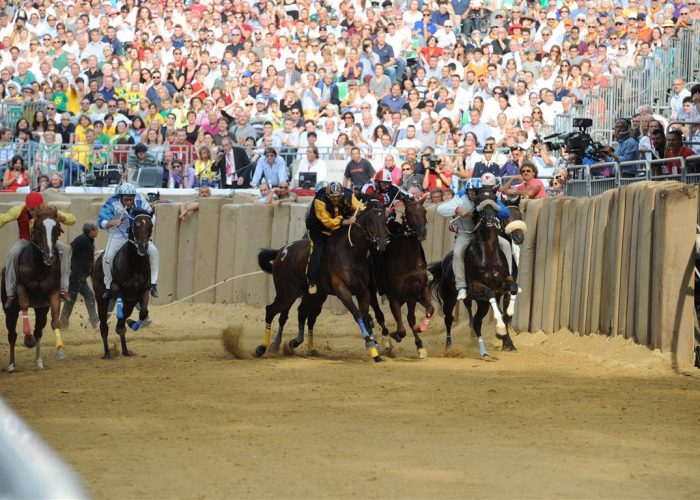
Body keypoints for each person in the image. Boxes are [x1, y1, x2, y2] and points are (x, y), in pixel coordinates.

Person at [437, 177, 513, 301]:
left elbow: (506, 213)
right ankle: (461, 286)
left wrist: (495, 206)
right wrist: (457, 209)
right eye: (470, 191)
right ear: (467, 191)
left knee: (505, 244)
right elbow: (440, 209)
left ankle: (508, 277)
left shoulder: (486, 198)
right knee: (457, 252)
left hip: (484, 233)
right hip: (466, 234)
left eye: (475, 191)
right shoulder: (460, 197)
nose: (473, 194)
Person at [0, 192, 75, 307]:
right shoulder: (19, 210)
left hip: (45, 242)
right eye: (31, 210)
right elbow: (4, 218)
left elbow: (72, 219)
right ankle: (10, 292)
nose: (33, 212)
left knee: (64, 250)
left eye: (37, 209)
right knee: (12, 253)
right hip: (26, 241)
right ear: (27, 206)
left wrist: (63, 218)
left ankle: (64, 289)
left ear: (42, 205)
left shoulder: (49, 210)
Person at [97, 183, 159, 299]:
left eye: (131, 199)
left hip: (137, 237)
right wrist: (111, 223)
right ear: (120, 197)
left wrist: (146, 223)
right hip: (117, 236)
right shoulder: (112, 202)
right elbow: (101, 221)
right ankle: (108, 286)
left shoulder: (140, 199)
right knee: (107, 258)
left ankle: (153, 284)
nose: (129, 203)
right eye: (126, 200)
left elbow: (151, 215)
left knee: (154, 251)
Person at [305, 181, 363, 294]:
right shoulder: (320, 200)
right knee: (317, 250)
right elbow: (327, 222)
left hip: (338, 228)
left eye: (337, 197)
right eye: (332, 198)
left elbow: (360, 207)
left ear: (342, 195)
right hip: (318, 229)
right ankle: (311, 280)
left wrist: (361, 212)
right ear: (327, 195)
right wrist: (345, 221)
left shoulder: (349, 195)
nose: (335, 200)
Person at [60, 223, 99, 330]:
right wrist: (66, 264)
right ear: (90, 231)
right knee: (89, 295)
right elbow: (69, 247)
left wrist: (95, 254)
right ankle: (95, 322)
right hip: (76, 274)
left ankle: (63, 323)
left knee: (71, 299)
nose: (97, 231)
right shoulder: (82, 239)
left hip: (80, 274)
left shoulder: (89, 241)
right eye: (95, 229)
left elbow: (85, 254)